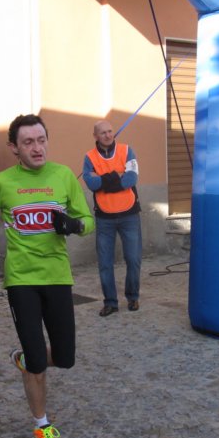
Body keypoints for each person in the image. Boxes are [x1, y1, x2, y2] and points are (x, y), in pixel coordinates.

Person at [0, 114, 94, 438]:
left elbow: (88, 220)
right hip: (21, 280)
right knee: (39, 362)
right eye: (28, 142)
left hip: (58, 276)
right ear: (14, 148)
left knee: (65, 358)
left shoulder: (63, 176)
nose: (37, 148)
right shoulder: (2, 182)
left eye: (41, 140)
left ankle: (25, 358)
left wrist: (75, 226)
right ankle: (42, 427)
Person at [82, 120, 142, 317]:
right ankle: (110, 302)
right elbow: (91, 184)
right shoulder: (89, 157)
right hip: (104, 218)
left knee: (133, 259)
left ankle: (133, 297)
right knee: (105, 263)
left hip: (129, 215)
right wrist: (117, 175)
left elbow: (131, 179)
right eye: (103, 133)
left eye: (110, 131)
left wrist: (103, 180)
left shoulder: (127, 151)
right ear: (95, 136)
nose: (108, 135)